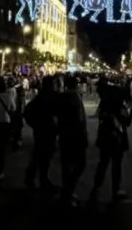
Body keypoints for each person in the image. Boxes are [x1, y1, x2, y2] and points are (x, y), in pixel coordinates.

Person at [89, 86, 131, 202]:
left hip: (105, 139)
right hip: (117, 139)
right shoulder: (119, 107)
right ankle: (115, 189)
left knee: (103, 164)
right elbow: (127, 122)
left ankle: (96, 187)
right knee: (116, 165)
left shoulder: (105, 108)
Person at [57, 76, 88, 206]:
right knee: (80, 163)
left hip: (64, 135)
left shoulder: (63, 96)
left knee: (66, 165)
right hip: (75, 136)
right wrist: (84, 136)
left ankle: (66, 192)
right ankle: (68, 191)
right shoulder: (74, 97)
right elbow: (80, 119)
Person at [23, 76, 58, 191]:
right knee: (43, 156)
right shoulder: (49, 96)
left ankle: (35, 178)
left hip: (42, 130)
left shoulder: (41, 96)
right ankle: (41, 180)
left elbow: (27, 111)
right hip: (46, 130)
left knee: (39, 155)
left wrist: (34, 125)